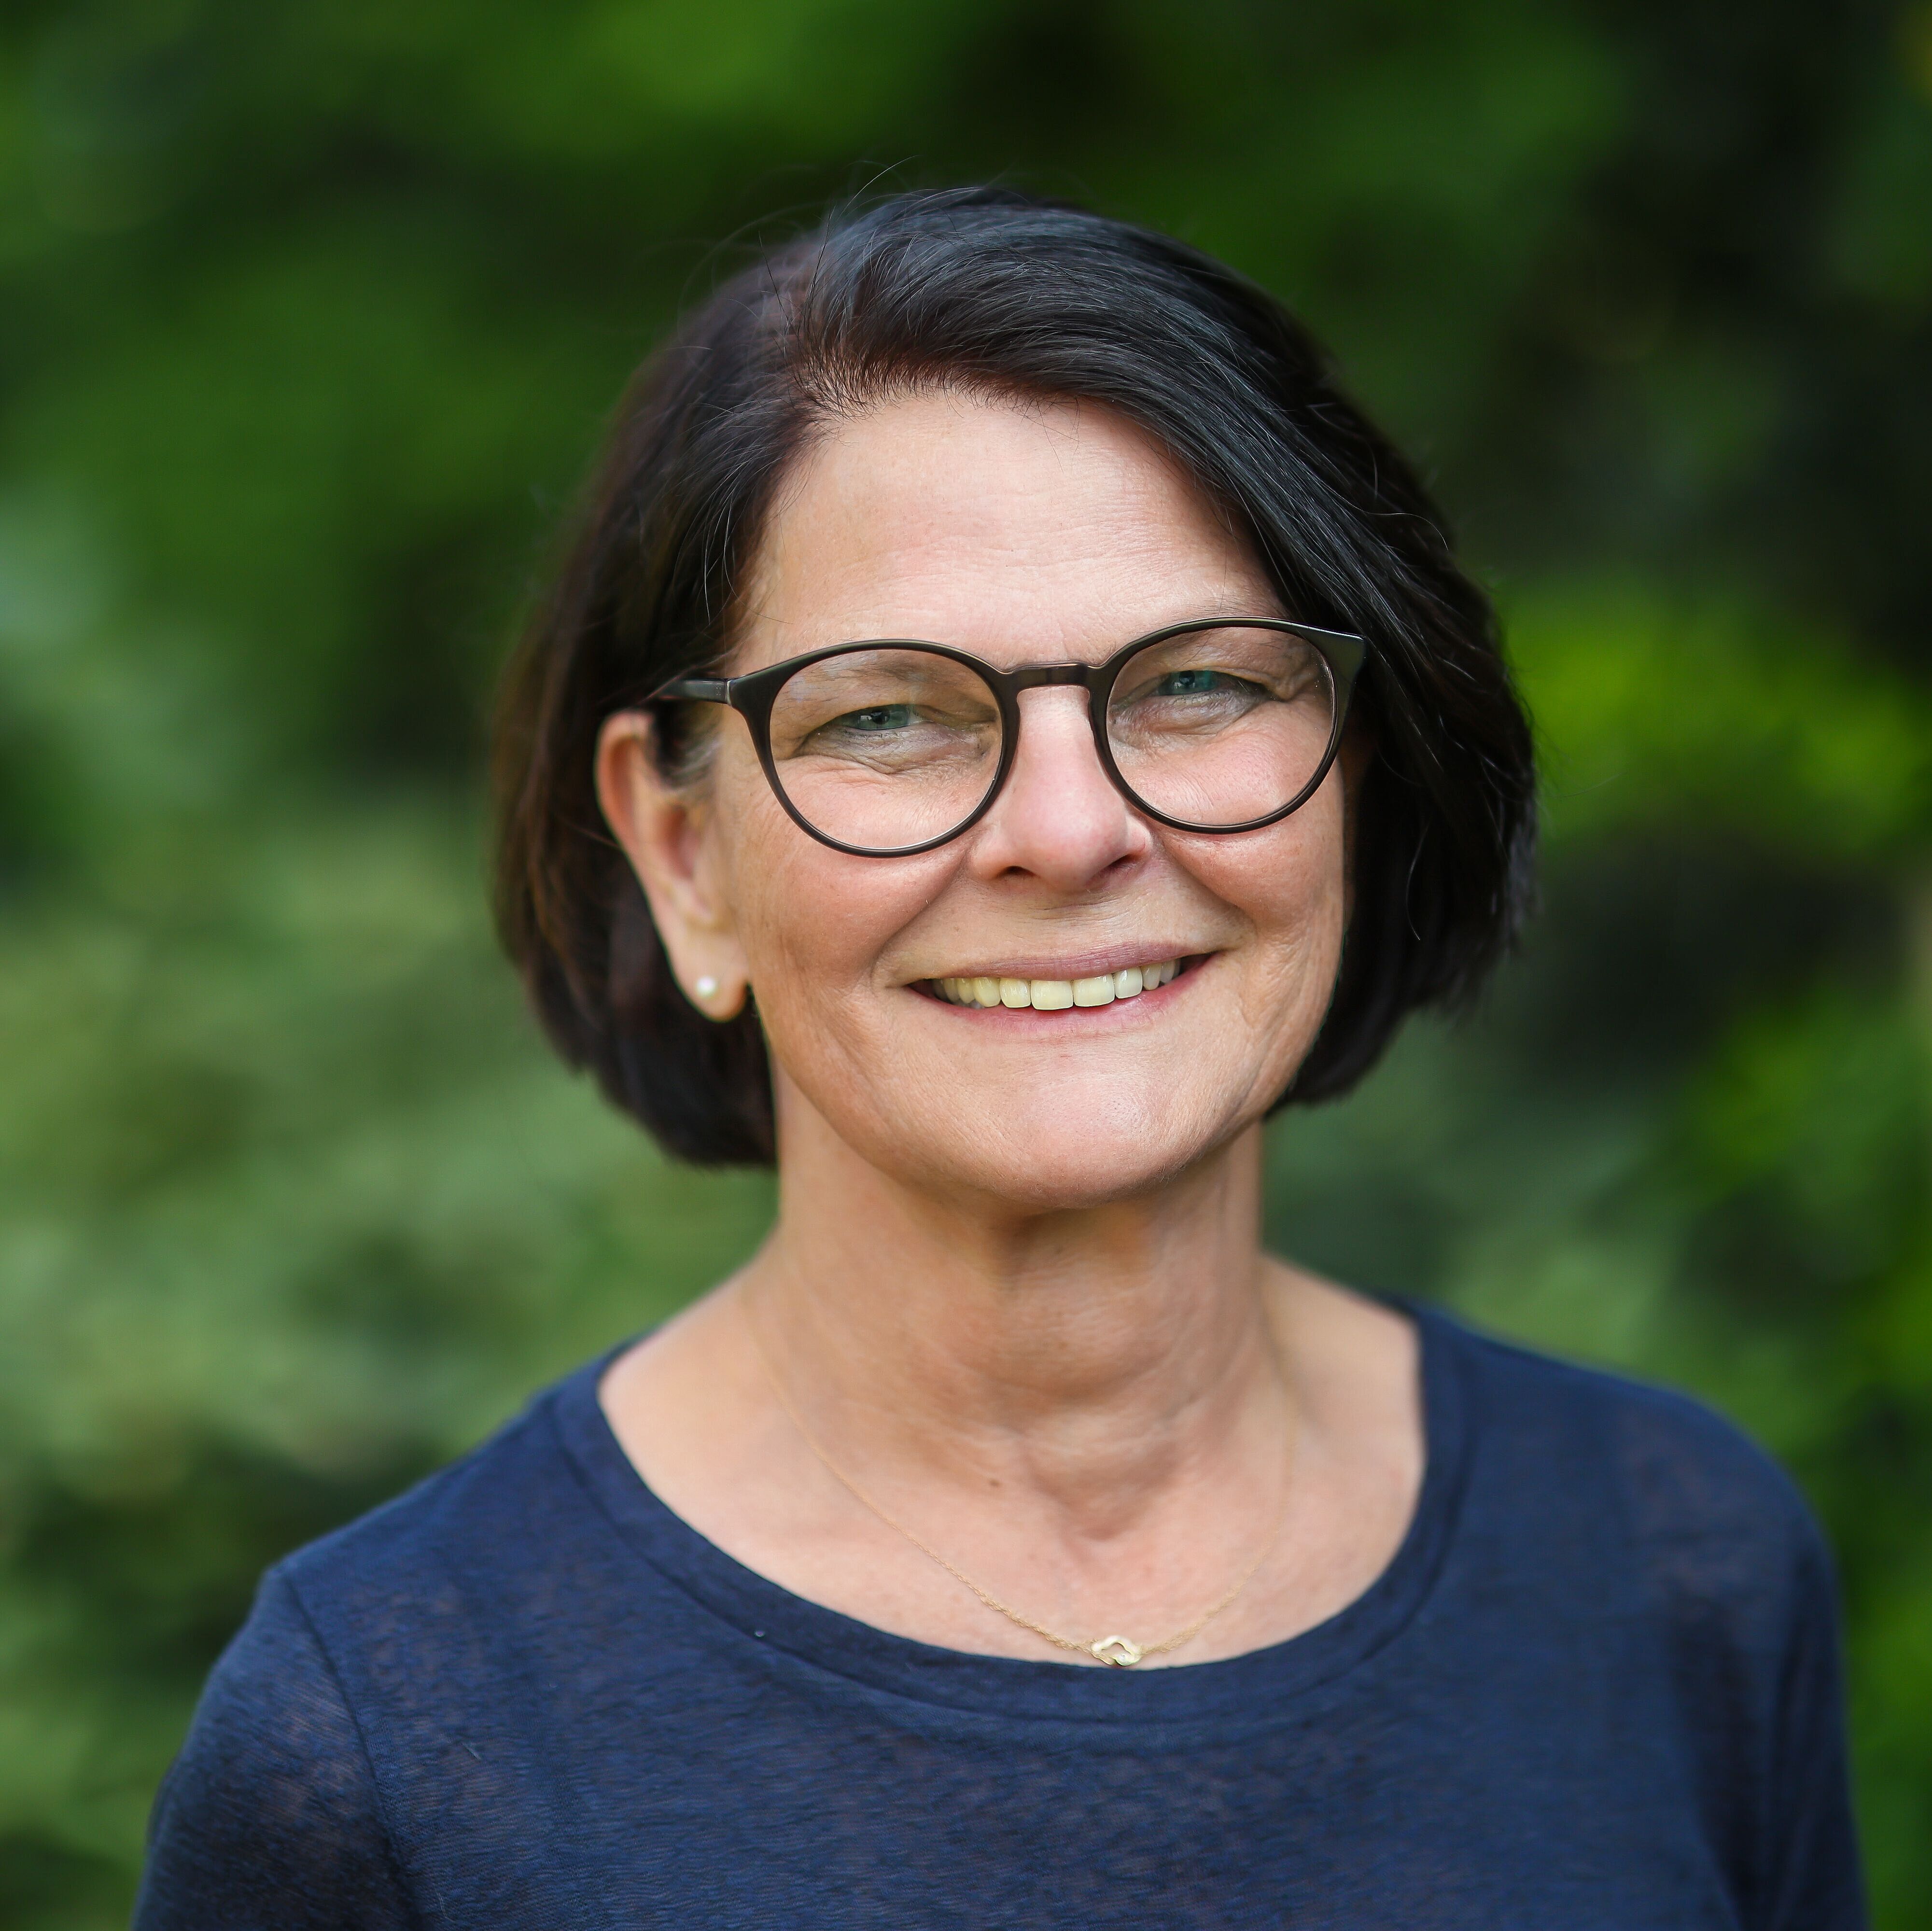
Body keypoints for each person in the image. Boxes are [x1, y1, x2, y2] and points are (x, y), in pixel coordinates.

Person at [134, 188, 1864, 1929]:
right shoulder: (382, 1738)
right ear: (681, 854)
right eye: (886, 714)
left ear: (1367, 773)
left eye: (1195, 684)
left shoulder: (1672, 1564)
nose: (1068, 829)